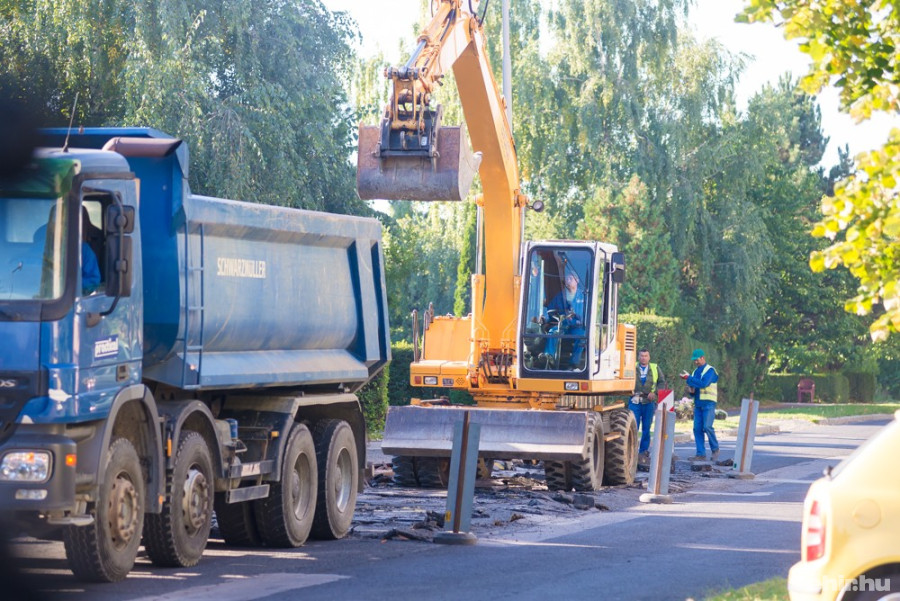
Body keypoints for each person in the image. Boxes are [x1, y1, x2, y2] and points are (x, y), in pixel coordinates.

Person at [680, 348, 719, 461]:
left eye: (697, 360)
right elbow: (695, 388)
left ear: (703, 358)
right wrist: (692, 391)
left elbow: (704, 384)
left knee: (707, 427)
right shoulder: (695, 372)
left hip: (709, 404)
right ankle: (700, 454)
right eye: (694, 360)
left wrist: (689, 378)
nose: (695, 362)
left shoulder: (710, 370)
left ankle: (715, 449)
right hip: (698, 404)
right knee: (697, 429)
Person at [542, 271, 586, 370]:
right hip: (563, 325)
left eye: (570, 278)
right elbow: (550, 310)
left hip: (577, 327)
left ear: (577, 280)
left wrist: (578, 320)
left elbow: (587, 314)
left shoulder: (583, 296)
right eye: (567, 278)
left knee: (582, 336)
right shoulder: (560, 296)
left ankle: (573, 364)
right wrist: (544, 317)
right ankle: (549, 357)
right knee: (552, 332)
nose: (568, 280)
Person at [631, 349, 666, 462]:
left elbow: (662, 382)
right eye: (641, 356)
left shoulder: (655, 368)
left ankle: (643, 453)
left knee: (646, 428)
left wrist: (655, 393)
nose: (643, 358)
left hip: (648, 402)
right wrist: (628, 390)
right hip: (634, 401)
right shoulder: (632, 366)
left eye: (646, 356)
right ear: (638, 357)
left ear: (649, 357)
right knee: (633, 427)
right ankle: (631, 452)